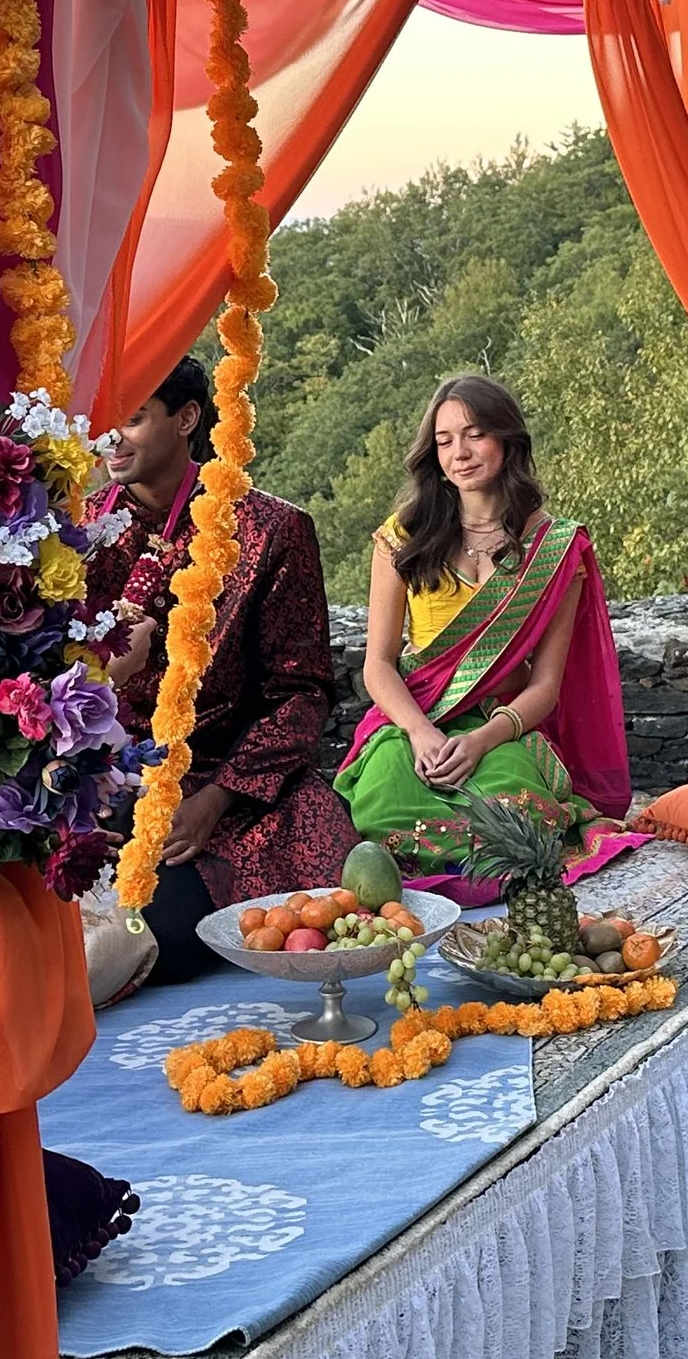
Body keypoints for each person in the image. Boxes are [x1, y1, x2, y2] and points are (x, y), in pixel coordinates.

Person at [96, 356, 358, 981]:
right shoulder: (78, 533)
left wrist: (213, 801)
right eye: (103, 421)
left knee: (180, 929)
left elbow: (300, 693)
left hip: (238, 785)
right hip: (105, 777)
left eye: (131, 419)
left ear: (187, 419)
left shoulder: (271, 530)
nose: (111, 438)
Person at [336, 374, 641, 890]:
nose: (460, 452)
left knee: (514, 806)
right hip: (416, 720)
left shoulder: (555, 550)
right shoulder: (402, 539)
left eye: (475, 434)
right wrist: (420, 733)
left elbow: (545, 686)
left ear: (507, 439)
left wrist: (480, 741)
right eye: (444, 440)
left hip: (500, 726)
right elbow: (379, 664)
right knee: (385, 792)